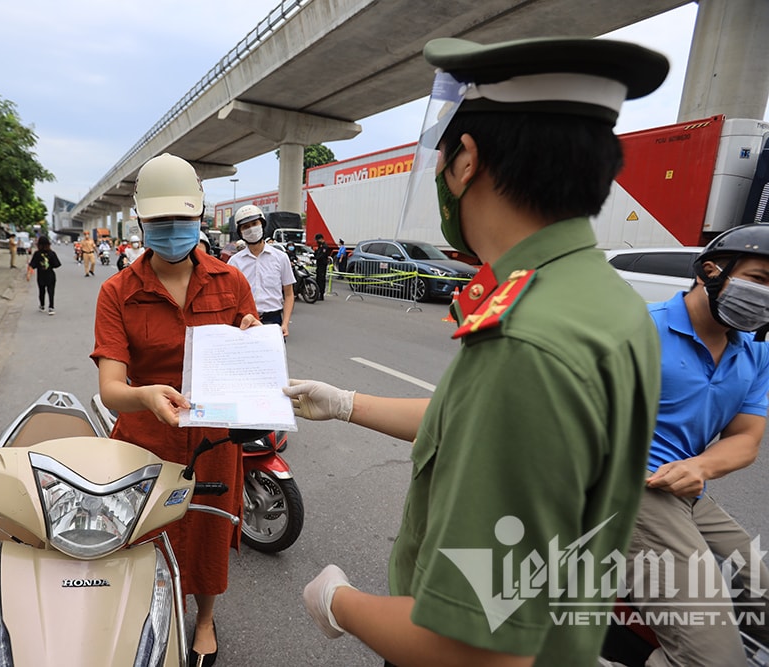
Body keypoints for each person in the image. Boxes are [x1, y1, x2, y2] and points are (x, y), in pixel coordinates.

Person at [283, 36, 669, 667]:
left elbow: (473, 649)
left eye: (440, 159)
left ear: (466, 161)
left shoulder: (526, 338)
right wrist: (348, 402)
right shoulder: (600, 298)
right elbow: (478, 425)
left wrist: (339, 602)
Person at [91, 152, 259, 666]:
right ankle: (149, 610)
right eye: (159, 222)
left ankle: (204, 620)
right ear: (141, 222)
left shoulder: (230, 282)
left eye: (182, 221)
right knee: (145, 535)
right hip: (145, 439)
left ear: (200, 218)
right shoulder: (117, 291)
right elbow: (112, 388)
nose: (171, 231)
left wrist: (254, 342)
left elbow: (250, 357)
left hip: (213, 439)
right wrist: (144, 396)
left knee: (208, 530)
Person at [622, 223, 769, 666]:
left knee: (761, 600)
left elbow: (745, 439)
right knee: (714, 654)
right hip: (629, 491)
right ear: (711, 270)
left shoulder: (755, 353)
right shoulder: (639, 329)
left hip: (689, 492)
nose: (766, 294)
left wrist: (700, 468)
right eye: (760, 279)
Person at [227, 204, 296, 336]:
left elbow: (288, 294)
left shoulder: (281, 258)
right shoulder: (234, 262)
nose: (251, 229)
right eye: (246, 226)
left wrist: (285, 323)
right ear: (240, 232)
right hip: (245, 321)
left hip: (273, 319)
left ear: (262, 224)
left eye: (254, 223)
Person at [28, 235, 61, 314]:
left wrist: (28, 274)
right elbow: (57, 264)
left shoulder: (37, 254)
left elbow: (32, 265)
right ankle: (51, 307)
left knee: (41, 291)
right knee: (51, 291)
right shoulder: (52, 253)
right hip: (50, 275)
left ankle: (42, 305)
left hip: (41, 275)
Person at [312, 233, 330, 298]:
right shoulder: (321, 246)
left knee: (321, 279)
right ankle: (318, 292)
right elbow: (318, 253)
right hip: (319, 265)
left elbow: (322, 255)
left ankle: (321, 294)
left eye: (317, 240)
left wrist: (316, 257)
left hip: (322, 265)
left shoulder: (325, 246)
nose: (317, 241)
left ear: (321, 239)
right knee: (318, 279)